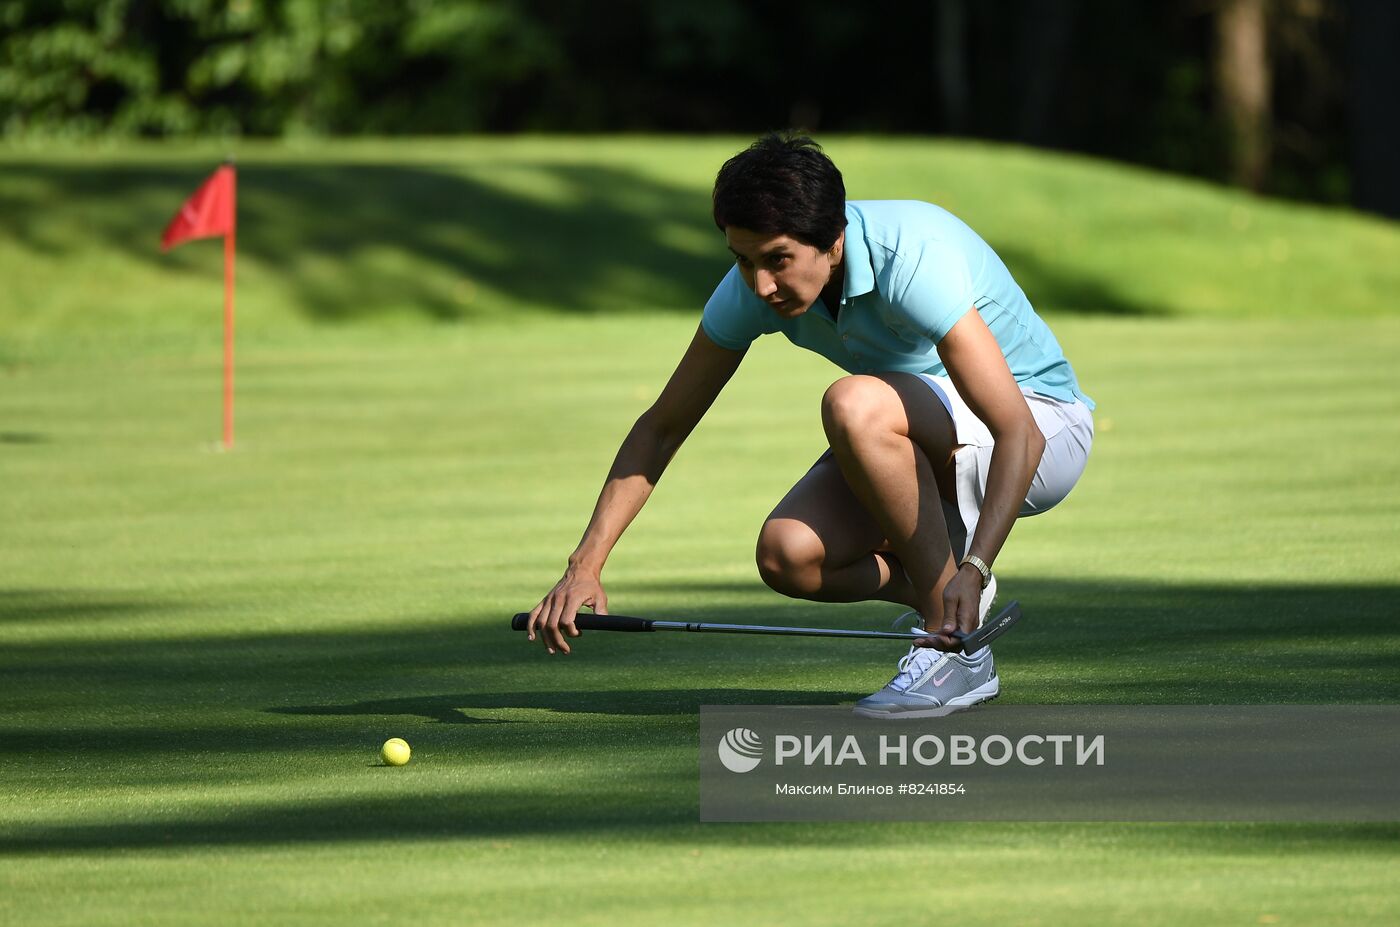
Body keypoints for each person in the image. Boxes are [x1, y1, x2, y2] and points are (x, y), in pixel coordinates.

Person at [525, 133, 1094, 718]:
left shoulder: (913, 255)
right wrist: (584, 566)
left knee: (853, 404)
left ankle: (954, 649)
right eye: (742, 260)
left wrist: (976, 565)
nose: (760, 285)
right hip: (923, 434)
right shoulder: (755, 288)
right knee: (789, 554)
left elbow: (1018, 431)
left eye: (776, 260)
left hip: (1042, 435)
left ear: (833, 240)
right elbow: (663, 426)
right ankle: (943, 590)